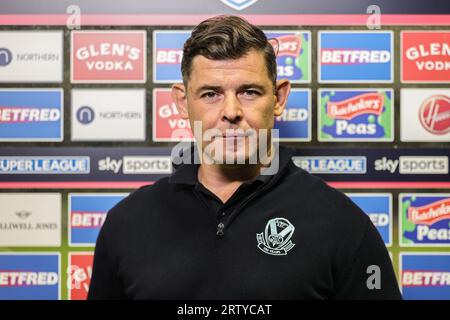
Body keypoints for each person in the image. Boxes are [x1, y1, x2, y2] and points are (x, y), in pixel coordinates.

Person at [88, 15, 402, 300]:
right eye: (210, 94)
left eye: (249, 92)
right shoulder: (127, 223)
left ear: (278, 98)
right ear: (183, 103)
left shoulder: (342, 224)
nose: (231, 112)